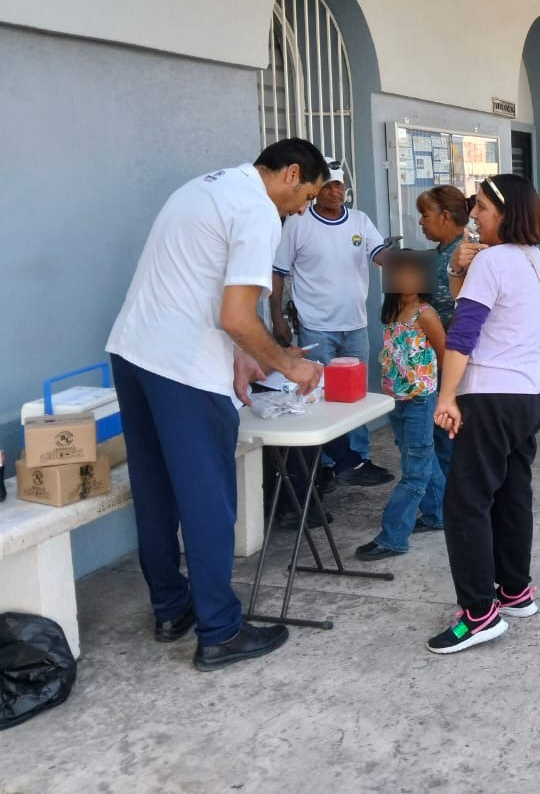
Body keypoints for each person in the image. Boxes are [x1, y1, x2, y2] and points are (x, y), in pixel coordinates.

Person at [106, 139, 328, 671]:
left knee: (156, 490)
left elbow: (197, 289)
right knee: (209, 500)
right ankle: (221, 631)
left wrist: (247, 358)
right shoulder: (257, 212)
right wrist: (288, 364)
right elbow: (236, 316)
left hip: (134, 353)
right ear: (291, 173)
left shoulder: (204, 188)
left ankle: (170, 608)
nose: (303, 209)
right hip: (184, 370)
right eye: (307, 195)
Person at [429, 174, 540, 654]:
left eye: (480, 207)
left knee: (465, 503)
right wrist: (458, 270)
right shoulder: (531, 258)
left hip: (490, 395)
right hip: (529, 394)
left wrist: (446, 396)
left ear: (504, 211)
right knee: (511, 492)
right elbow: (486, 310)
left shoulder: (493, 261)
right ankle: (514, 590)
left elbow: (463, 332)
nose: (473, 216)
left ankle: (478, 614)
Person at [270, 160, 391, 487]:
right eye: (328, 186)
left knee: (356, 395)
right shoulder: (298, 224)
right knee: (320, 394)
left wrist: (408, 263)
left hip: (355, 324)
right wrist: (277, 317)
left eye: (339, 185)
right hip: (315, 326)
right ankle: (324, 464)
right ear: (315, 188)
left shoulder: (360, 221)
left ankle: (357, 460)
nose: (336, 191)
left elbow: (381, 255)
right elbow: (278, 272)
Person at [354, 250, 447, 562]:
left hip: (420, 400)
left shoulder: (425, 313)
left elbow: (446, 355)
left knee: (414, 473)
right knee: (423, 459)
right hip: (398, 401)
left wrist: (448, 398)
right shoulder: (393, 312)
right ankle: (438, 514)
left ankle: (393, 536)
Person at [417, 184, 470, 478]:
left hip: (452, 353)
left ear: (446, 216)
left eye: (425, 215)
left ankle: (452, 496)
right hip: (433, 356)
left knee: (449, 427)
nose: (421, 222)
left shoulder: (466, 254)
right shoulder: (434, 254)